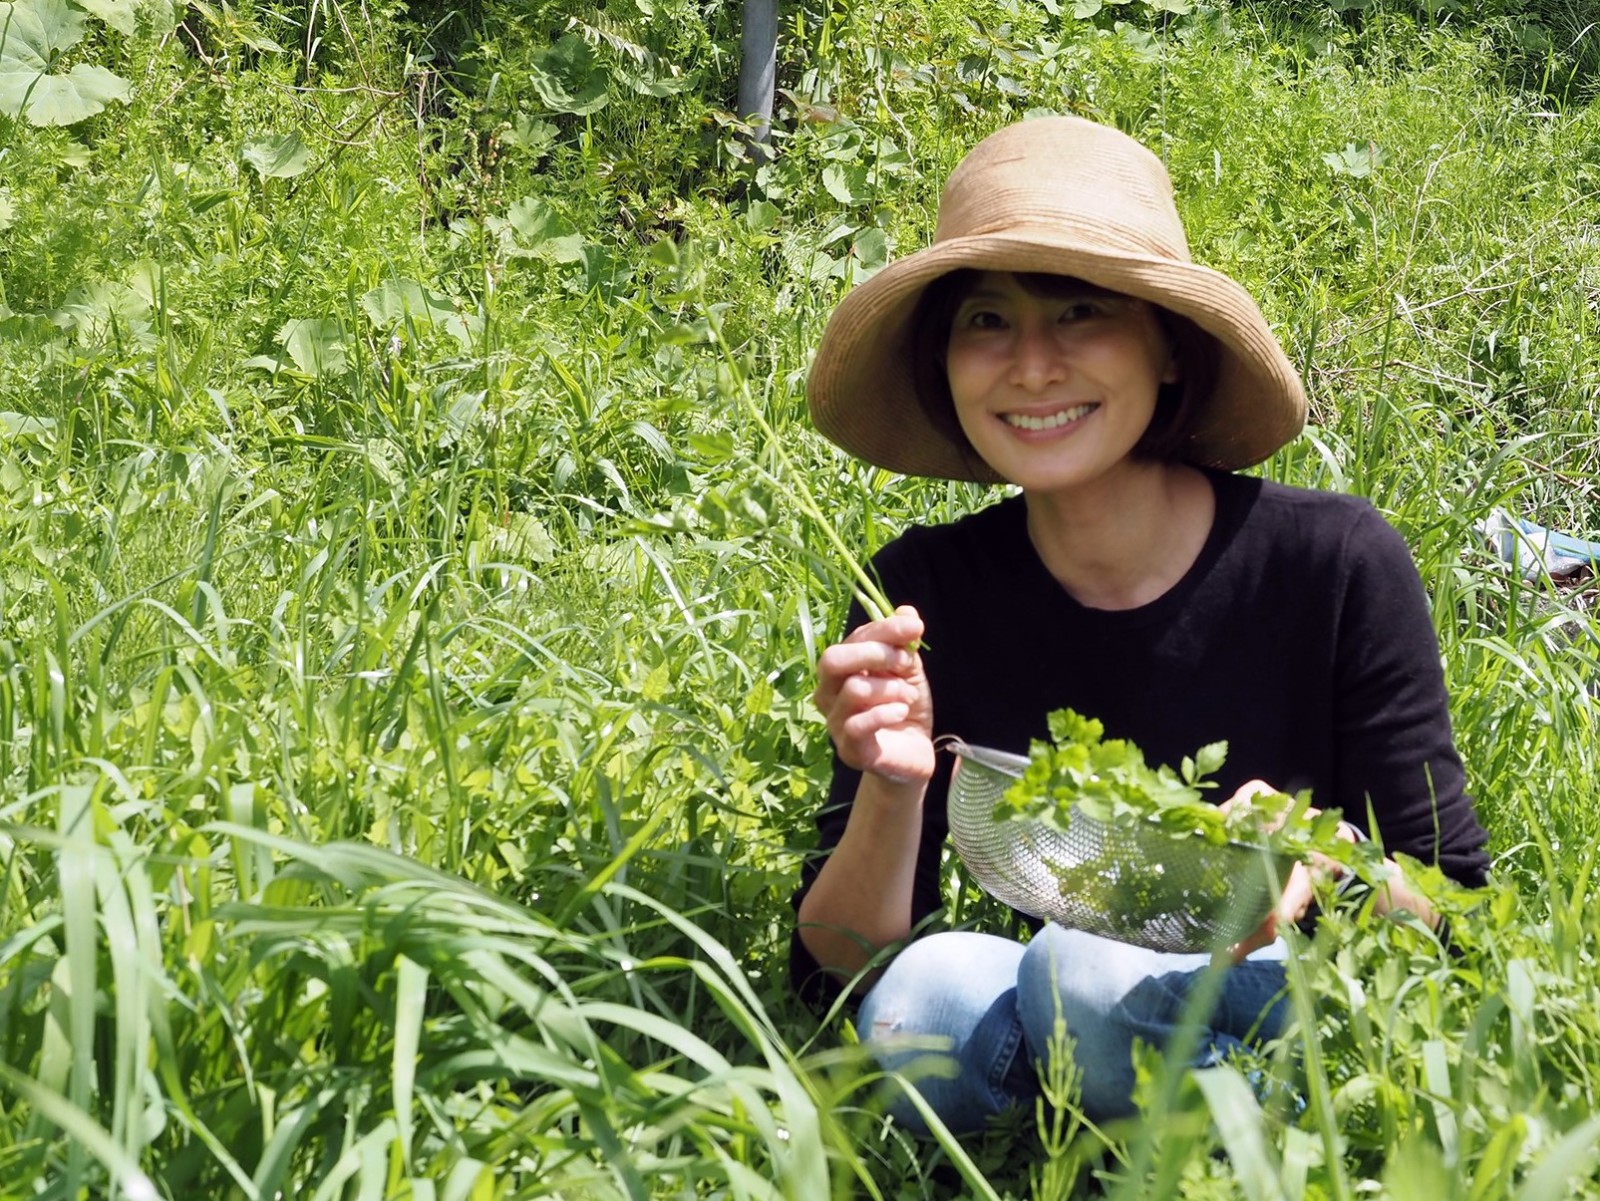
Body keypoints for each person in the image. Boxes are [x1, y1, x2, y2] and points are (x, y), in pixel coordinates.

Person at [789, 115, 1491, 1133]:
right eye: (984, 321)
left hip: (1277, 1005)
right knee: (921, 998)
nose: (1030, 366)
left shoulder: (1332, 563)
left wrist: (1321, 858)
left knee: (1081, 965)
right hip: (1068, 1001)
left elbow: (1453, 914)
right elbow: (838, 980)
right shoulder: (922, 588)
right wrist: (893, 791)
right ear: (944, 360)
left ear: (1167, 348)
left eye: (1079, 312)